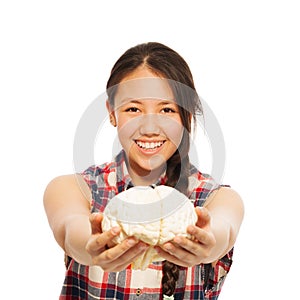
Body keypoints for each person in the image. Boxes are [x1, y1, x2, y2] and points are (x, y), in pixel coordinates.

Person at [44, 42, 244, 300]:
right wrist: (90, 247)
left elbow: (223, 229)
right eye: (133, 109)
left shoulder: (214, 198)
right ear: (112, 112)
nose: (150, 127)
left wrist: (207, 244)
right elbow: (70, 228)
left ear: (186, 115)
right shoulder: (75, 189)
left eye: (167, 109)